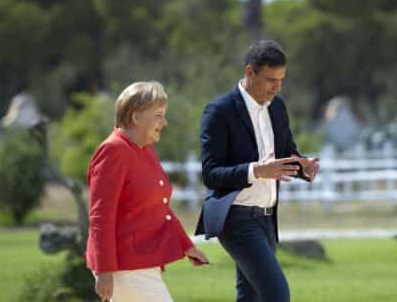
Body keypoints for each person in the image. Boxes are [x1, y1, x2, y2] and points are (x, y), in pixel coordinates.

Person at [195, 40, 320, 302]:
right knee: (277, 294)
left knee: (250, 297)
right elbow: (211, 173)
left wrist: (302, 167)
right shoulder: (219, 111)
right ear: (249, 72)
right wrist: (256, 171)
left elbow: (287, 153)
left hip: (267, 219)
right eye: (271, 79)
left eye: (281, 80)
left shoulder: (277, 106)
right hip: (236, 218)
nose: (277, 87)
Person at [85, 81, 209, 302]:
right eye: (158, 115)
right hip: (124, 266)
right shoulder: (113, 151)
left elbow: (160, 208)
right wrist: (104, 270)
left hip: (141, 263)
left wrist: (186, 246)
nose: (165, 122)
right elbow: (100, 216)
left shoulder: (145, 149)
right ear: (136, 117)